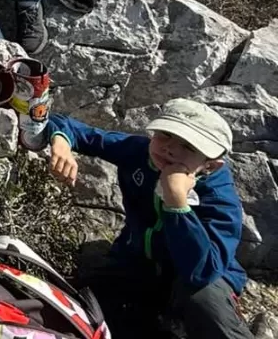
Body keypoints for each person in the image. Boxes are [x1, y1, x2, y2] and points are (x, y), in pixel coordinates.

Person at [48, 99, 252, 339]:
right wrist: (61, 141)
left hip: (196, 280)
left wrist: (177, 203)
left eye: (188, 146)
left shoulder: (219, 198)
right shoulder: (139, 152)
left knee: (204, 302)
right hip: (138, 263)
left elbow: (202, 272)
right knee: (87, 305)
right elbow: (67, 125)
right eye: (165, 135)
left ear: (210, 165)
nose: (170, 148)